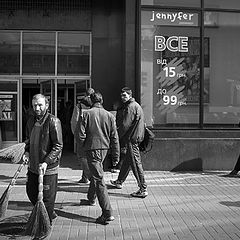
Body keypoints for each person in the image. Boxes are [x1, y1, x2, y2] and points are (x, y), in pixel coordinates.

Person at [75, 91, 120, 224]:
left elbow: (80, 135)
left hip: (92, 149)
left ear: (91, 101)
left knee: (99, 179)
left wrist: (83, 147)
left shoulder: (86, 114)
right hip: (104, 149)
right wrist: (116, 156)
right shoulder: (109, 115)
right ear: (102, 101)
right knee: (97, 174)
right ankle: (91, 198)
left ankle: (107, 213)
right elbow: (114, 137)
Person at [23, 94, 63, 225]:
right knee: (31, 192)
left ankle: (46, 224)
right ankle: (48, 213)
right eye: (35, 105)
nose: (37, 107)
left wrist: (47, 161)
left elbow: (58, 145)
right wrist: (27, 152)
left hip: (48, 168)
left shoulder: (53, 121)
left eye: (40, 104)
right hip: (33, 166)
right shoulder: (30, 121)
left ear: (47, 105)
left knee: (47, 198)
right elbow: (28, 140)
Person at [110, 87, 148, 198]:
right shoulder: (136, 106)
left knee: (136, 163)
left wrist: (116, 135)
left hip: (131, 139)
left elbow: (125, 125)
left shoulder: (130, 107)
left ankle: (143, 188)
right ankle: (119, 181)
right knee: (127, 161)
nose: (122, 98)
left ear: (130, 96)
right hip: (135, 137)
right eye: (121, 95)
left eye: (125, 95)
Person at [71, 88, 95, 184]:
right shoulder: (96, 106)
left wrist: (76, 134)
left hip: (82, 134)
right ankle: (85, 177)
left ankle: (88, 177)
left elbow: (74, 121)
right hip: (93, 135)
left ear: (85, 94)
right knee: (91, 157)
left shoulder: (79, 106)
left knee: (82, 156)